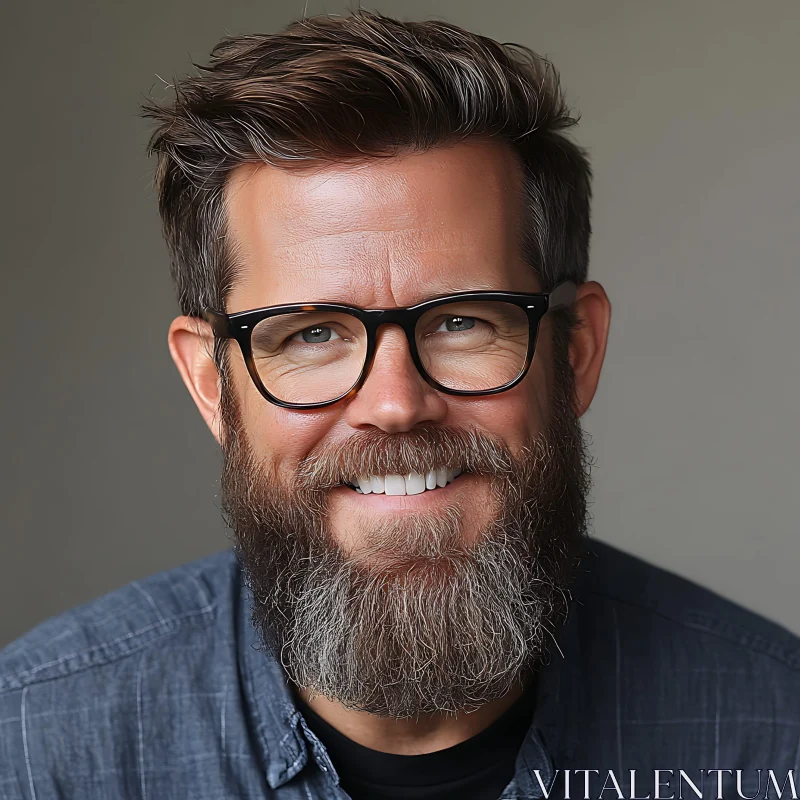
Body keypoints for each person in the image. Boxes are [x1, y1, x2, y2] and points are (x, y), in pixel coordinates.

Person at [1, 10, 798, 800]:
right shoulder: (31, 750)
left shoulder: (776, 735)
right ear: (213, 385)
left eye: (460, 322)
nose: (394, 405)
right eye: (311, 335)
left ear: (576, 350)